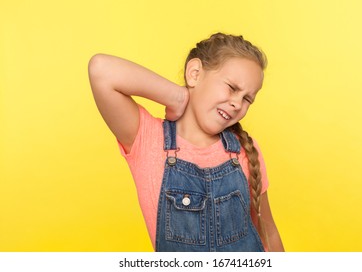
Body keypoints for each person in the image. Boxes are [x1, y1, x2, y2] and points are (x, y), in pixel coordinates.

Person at [88, 32, 284, 252]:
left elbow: (269, 233)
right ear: (195, 74)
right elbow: (101, 69)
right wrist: (176, 96)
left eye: (248, 99)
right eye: (232, 88)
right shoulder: (148, 140)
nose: (238, 103)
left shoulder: (245, 151)